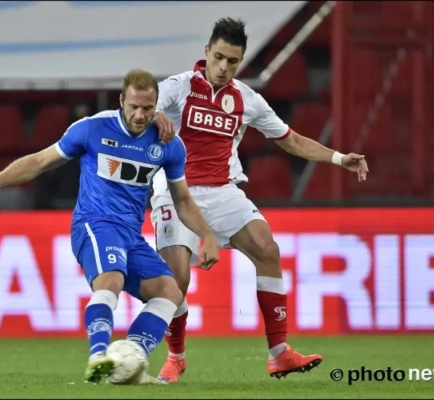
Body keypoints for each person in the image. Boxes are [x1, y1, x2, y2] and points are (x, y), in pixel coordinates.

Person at [0, 69, 220, 385]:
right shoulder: (91, 129)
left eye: (147, 108)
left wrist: (207, 235)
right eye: (134, 107)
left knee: (171, 292)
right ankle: (98, 356)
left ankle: (129, 362)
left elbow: (183, 201)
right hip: (94, 224)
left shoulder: (168, 144)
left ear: (156, 107)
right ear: (121, 101)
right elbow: (39, 162)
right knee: (111, 279)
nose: (140, 115)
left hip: (131, 234)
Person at [151, 18, 370, 382]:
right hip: (176, 191)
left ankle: (279, 353)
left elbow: (291, 139)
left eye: (232, 61)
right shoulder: (179, 87)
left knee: (268, 250)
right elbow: (147, 105)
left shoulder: (247, 99)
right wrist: (156, 114)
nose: (223, 67)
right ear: (206, 52)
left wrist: (338, 158)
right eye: (218, 57)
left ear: (240, 62)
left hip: (224, 191)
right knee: (177, 278)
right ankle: (176, 356)